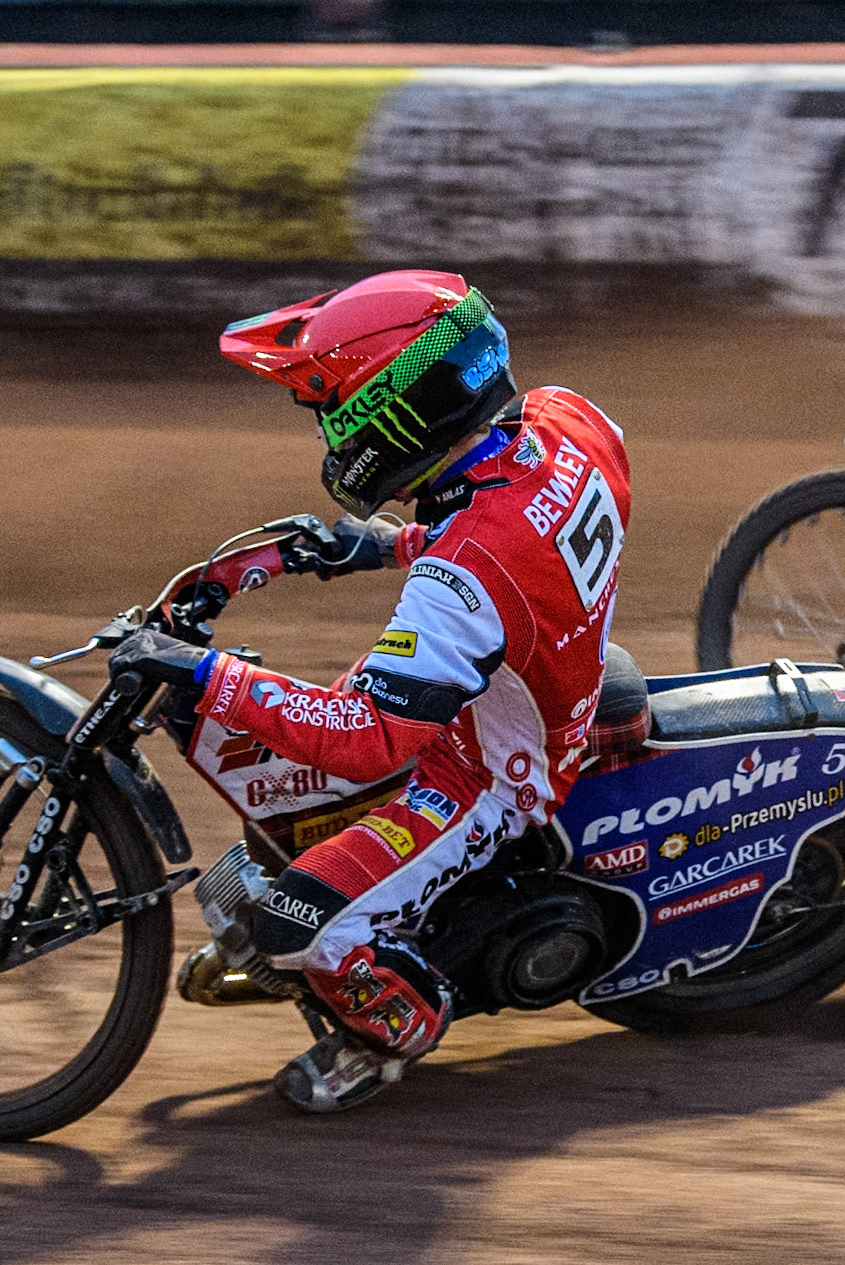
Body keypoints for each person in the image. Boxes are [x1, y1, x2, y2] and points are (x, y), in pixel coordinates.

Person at [107, 270, 631, 1110]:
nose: (324, 430)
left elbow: (364, 737)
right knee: (295, 785)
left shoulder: (460, 584)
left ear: (389, 410)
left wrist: (206, 673)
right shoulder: (566, 420)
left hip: (483, 773)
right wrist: (388, 545)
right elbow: (511, 516)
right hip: (531, 669)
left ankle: (396, 1029)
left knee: (294, 927)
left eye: (329, 410)